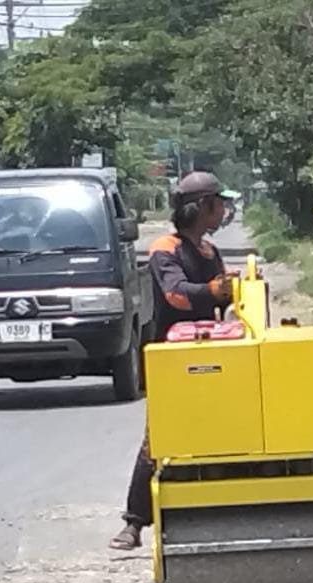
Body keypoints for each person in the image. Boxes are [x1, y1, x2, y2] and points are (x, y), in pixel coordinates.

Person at [109, 172, 234, 551]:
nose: (224, 210)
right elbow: (178, 296)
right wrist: (213, 290)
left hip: (211, 353)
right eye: (219, 203)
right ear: (203, 207)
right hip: (172, 359)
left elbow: (224, 303)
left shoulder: (211, 253)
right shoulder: (166, 249)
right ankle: (134, 522)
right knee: (158, 438)